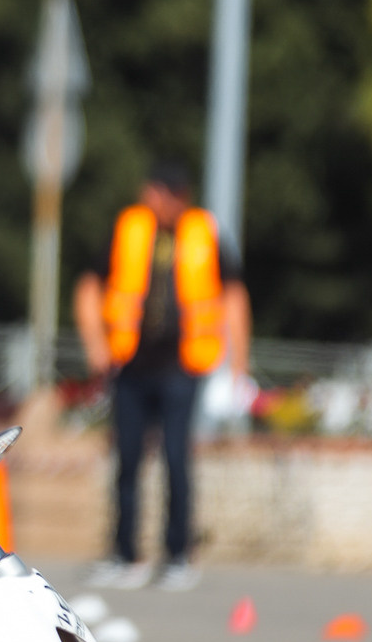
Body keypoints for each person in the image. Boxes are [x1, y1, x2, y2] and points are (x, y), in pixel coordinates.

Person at [70, 160, 251, 592]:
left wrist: (238, 365)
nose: (152, 200)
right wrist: (95, 343)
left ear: (179, 196)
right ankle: (125, 554)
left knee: (175, 460)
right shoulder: (128, 228)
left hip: (182, 368)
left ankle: (178, 555)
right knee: (127, 461)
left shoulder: (204, 232)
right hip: (131, 365)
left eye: (161, 193)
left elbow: (233, 295)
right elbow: (90, 286)